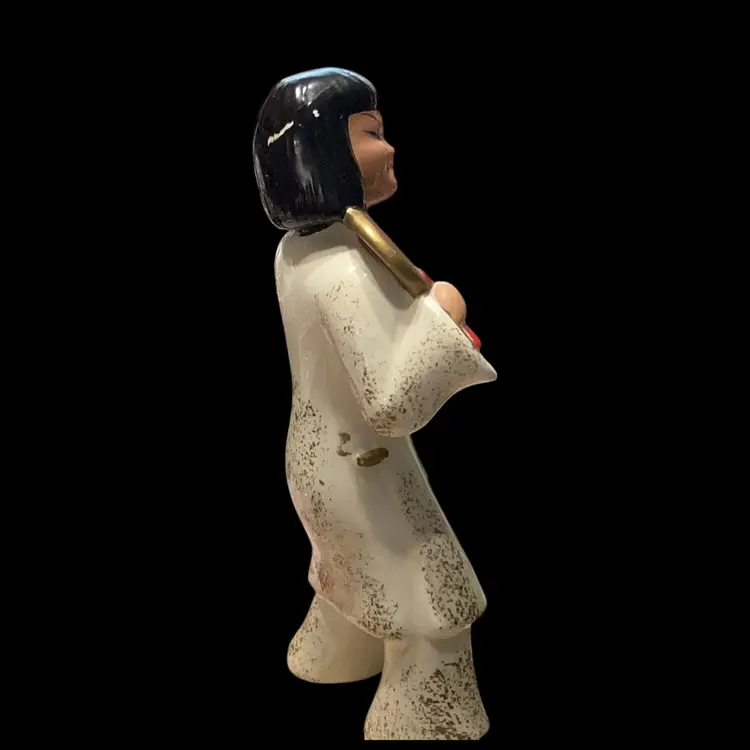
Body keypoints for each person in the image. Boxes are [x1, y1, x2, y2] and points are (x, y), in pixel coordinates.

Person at [253, 67, 497, 741]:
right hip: (363, 462)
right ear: (324, 150)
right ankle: (421, 721)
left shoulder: (299, 251)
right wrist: (446, 313)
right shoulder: (341, 270)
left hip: (314, 458)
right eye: (370, 134)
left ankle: (336, 654)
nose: (387, 149)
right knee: (436, 596)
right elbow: (391, 402)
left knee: (352, 562)